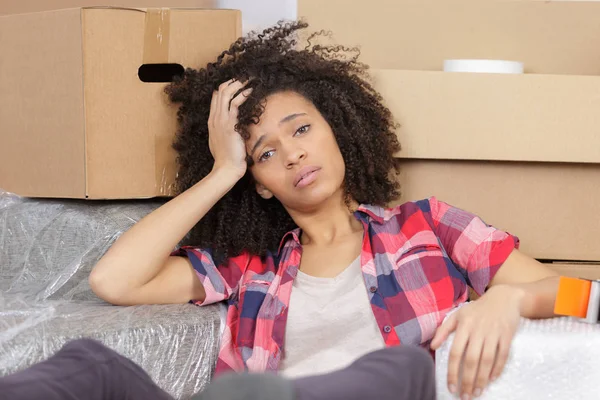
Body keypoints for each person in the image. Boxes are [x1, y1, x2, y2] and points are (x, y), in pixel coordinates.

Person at [1, 21, 559, 400]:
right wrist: (222, 172)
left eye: (302, 129)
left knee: (404, 368)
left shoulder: (428, 227)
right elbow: (113, 280)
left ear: (337, 130)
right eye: (265, 152)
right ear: (260, 182)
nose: (292, 152)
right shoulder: (250, 266)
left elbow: (587, 297)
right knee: (90, 364)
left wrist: (508, 298)